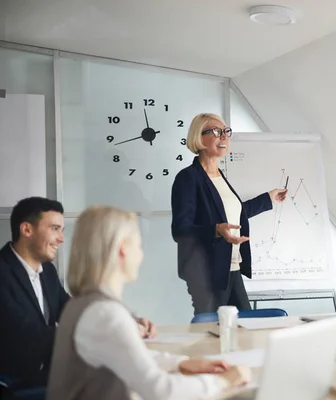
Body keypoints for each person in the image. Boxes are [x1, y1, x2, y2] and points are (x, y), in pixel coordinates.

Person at [47, 205, 251, 400]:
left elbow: (133, 356)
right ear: (122, 249)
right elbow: (161, 391)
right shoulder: (104, 314)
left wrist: (183, 363)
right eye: (138, 245)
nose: (141, 254)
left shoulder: (84, 304)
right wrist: (224, 381)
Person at [0, 197, 157, 389]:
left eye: (62, 230)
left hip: (48, 374)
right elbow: (26, 334)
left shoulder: (46, 271)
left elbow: (71, 308)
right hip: (15, 384)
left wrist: (128, 319)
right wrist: (102, 330)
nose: (61, 238)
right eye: (54, 229)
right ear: (27, 230)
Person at [171, 113, 287, 314]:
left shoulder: (219, 176)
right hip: (206, 271)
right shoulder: (188, 178)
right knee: (214, 333)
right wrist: (216, 230)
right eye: (216, 132)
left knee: (245, 327)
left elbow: (233, 215)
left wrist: (268, 199)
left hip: (231, 266)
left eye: (226, 131)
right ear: (199, 137)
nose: (224, 136)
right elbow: (180, 230)